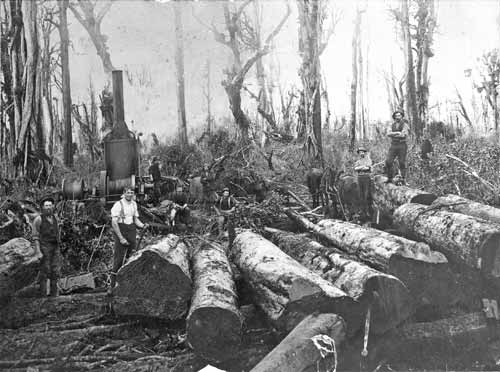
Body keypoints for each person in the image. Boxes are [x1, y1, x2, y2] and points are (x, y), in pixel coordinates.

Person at [110, 187, 148, 288]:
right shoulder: (118, 205)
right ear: (124, 193)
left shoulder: (133, 204)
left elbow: (135, 220)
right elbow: (114, 223)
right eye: (128, 193)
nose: (130, 195)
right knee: (118, 260)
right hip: (121, 230)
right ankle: (112, 286)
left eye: (131, 193)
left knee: (132, 257)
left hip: (131, 230)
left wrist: (143, 225)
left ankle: (127, 284)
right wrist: (121, 238)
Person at [32, 197, 61, 296]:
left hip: (55, 247)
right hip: (44, 247)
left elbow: (57, 232)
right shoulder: (38, 219)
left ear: (53, 206)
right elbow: (35, 237)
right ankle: (43, 294)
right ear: (43, 207)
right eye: (46, 206)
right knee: (45, 270)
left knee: (55, 270)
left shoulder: (55, 218)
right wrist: (38, 252)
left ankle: (54, 294)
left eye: (50, 205)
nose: (48, 208)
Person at [385, 110, 410, 184]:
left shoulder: (405, 125)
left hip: (402, 145)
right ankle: (390, 178)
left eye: (399, 115)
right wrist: (397, 132)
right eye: (396, 116)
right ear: (394, 117)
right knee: (388, 161)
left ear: (402, 116)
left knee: (402, 162)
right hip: (393, 145)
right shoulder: (391, 125)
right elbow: (388, 134)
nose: (397, 117)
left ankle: (403, 179)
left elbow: (403, 135)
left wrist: (394, 134)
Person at [354, 147, 373, 221]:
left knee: (366, 194)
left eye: (363, 152)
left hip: (366, 178)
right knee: (360, 194)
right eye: (360, 152)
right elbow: (355, 169)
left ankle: (367, 211)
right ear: (359, 154)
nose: (361, 153)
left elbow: (368, 168)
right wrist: (362, 167)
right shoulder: (358, 161)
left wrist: (361, 168)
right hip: (359, 178)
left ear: (365, 153)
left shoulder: (368, 160)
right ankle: (361, 211)